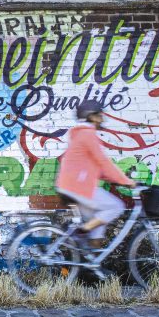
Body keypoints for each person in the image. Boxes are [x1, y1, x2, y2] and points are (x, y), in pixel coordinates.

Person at [55, 100, 135, 250]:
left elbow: (97, 168)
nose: (102, 119)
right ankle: (79, 233)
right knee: (117, 206)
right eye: (100, 116)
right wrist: (126, 181)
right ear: (91, 117)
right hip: (77, 187)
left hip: (69, 186)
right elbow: (104, 162)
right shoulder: (87, 134)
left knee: (98, 221)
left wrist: (115, 180)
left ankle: (93, 262)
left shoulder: (80, 135)